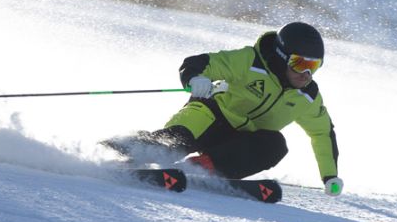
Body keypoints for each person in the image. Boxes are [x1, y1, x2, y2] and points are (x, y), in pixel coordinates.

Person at [121, 22, 343, 196]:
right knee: (174, 143)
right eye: (300, 64)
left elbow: (322, 133)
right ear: (281, 56)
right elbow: (200, 63)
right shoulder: (249, 62)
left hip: (236, 144)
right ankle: (124, 151)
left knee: (275, 145)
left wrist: (329, 176)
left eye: (314, 66)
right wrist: (194, 78)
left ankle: (199, 168)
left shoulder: (307, 97)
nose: (306, 74)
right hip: (208, 118)